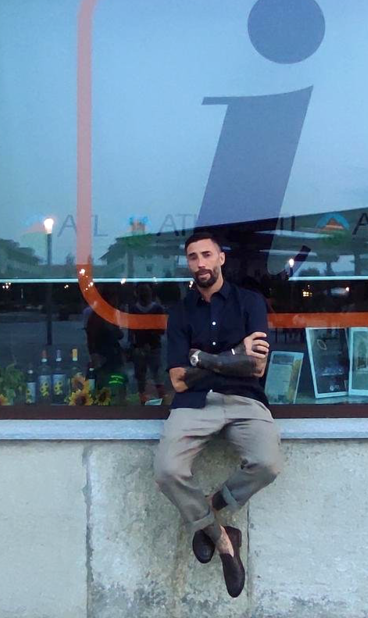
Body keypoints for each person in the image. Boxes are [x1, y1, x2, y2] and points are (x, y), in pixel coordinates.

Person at [153, 231, 282, 598]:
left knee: (268, 463)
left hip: (245, 399)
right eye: (193, 257)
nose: (201, 263)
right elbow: (179, 379)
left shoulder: (250, 302)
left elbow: (256, 367)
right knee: (166, 470)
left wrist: (203, 359)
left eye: (207, 255)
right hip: (195, 403)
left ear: (221, 258)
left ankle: (206, 513)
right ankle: (225, 540)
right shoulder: (181, 313)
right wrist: (234, 354)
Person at [128, 283, 165, 403]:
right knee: (141, 376)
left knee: (156, 374)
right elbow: (131, 330)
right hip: (140, 348)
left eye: (146, 291)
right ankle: (143, 400)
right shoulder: (134, 309)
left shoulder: (157, 309)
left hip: (153, 347)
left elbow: (161, 329)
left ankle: (161, 399)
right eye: (142, 291)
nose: (144, 294)